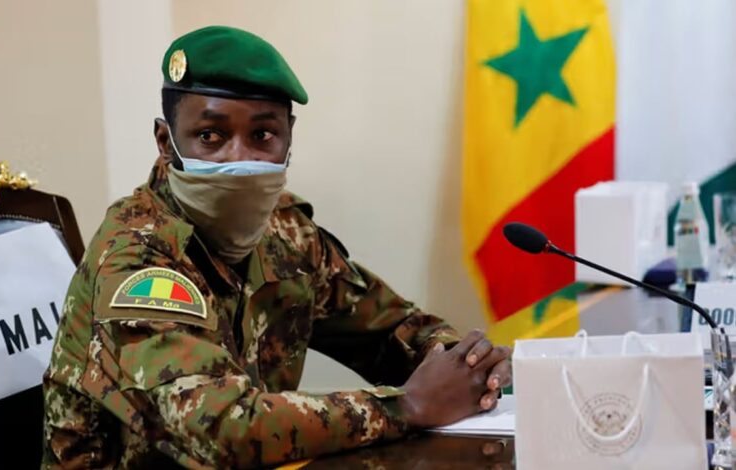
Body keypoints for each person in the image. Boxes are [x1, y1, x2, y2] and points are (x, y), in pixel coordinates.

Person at [42, 26, 512, 469]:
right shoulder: (135, 257)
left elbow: (392, 330)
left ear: (289, 139)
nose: (239, 158)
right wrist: (407, 406)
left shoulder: (285, 230)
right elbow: (219, 429)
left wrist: (470, 367)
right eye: (210, 136)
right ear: (166, 142)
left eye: (262, 136)